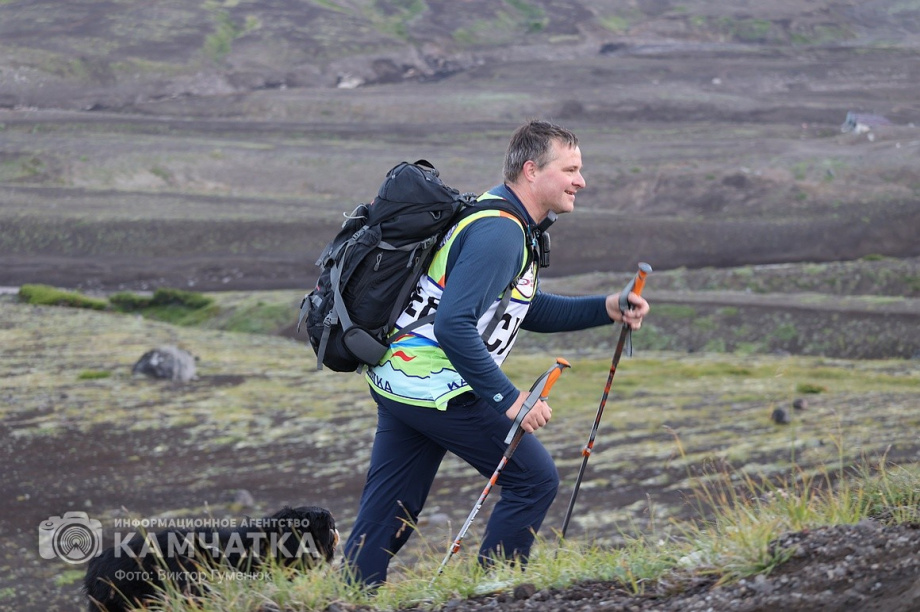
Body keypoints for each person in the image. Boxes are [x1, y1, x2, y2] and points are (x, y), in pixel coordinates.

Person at [343, 119, 650, 586]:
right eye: (570, 169)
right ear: (531, 170)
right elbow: (453, 325)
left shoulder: (498, 216)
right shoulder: (501, 233)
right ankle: (494, 594)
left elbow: (522, 308)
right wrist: (511, 400)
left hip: (398, 380)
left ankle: (351, 593)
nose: (580, 181)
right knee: (534, 480)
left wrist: (605, 308)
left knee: (390, 507)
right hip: (436, 386)